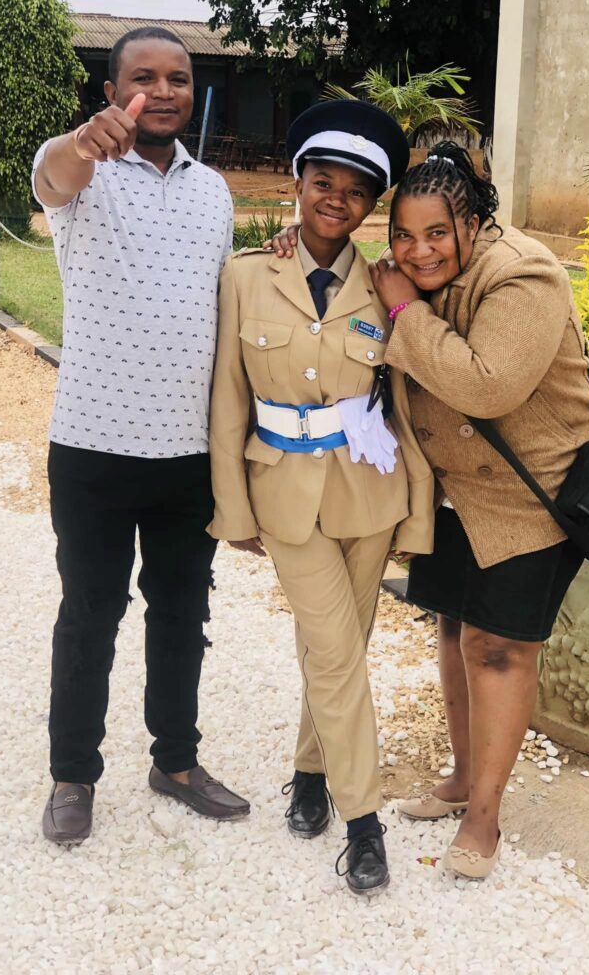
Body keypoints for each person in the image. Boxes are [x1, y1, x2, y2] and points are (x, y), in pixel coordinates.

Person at [208, 101, 434, 895]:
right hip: (284, 493)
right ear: (298, 182)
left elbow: (405, 404)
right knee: (335, 651)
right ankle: (363, 824)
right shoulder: (247, 275)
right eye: (323, 181)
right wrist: (232, 508)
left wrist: (416, 512)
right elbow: (228, 399)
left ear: (372, 204)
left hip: (370, 492)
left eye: (356, 190)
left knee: (338, 651)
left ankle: (309, 772)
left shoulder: (387, 285)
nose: (337, 199)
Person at [32, 26, 249, 844]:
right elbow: (52, 175)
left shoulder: (214, 191)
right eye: (143, 78)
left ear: (193, 91)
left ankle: (177, 762)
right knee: (90, 614)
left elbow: (222, 297)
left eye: (178, 79)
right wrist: (81, 142)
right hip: (93, 444)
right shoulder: (81, 173)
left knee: (182, 614)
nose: (162, 92)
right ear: (113, 90)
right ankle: (72, 774)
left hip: (187, 452)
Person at [367, 142, 589, 878]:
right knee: (454, 632)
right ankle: (464, 778)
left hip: (530, 498)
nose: (419, 250)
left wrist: (403, 311)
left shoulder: (524, 274)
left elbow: (488, 386)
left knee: (499, 649)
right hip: (454, 494)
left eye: (437, 233)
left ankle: (485, 822)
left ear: (472, 223)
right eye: (404, 235)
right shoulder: (417, 271)